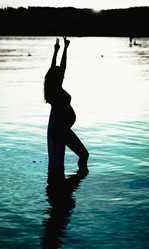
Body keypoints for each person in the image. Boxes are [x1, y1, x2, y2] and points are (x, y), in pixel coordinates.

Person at [44, 37, 89, 179]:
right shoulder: (55, 90)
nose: (62, 75)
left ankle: (66, 187)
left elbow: (56, 68)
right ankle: (70, 186)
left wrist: (58, 50)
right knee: (59, 163)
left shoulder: (55, 89)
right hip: (59, 130)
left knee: (59, 163)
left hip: (61, 129)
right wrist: (64, 49)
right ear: (55, 78)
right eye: (59, 75)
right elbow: (61, 67)